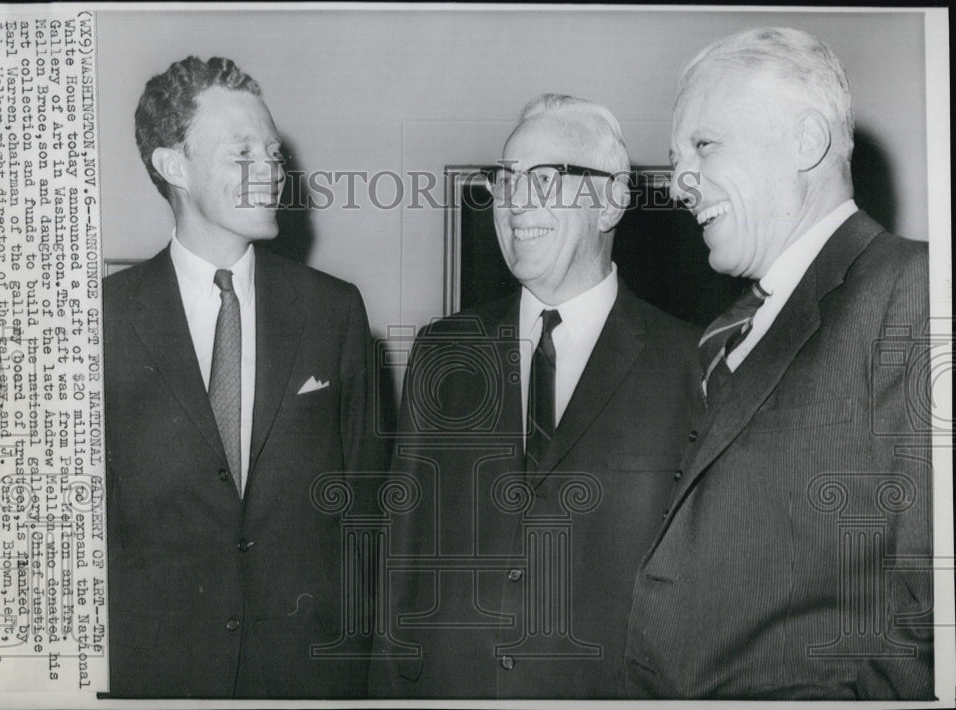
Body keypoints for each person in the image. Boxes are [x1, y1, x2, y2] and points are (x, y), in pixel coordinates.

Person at [623, 27, 933, 699]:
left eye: (703, 145)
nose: (678, 185)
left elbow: (934, 617)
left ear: (807, 141)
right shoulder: (727, 332)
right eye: (676, 158)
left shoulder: (915, 290)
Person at [371, 95, 701, 697]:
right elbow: (401, 563)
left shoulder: (693, 367)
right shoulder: (443, 351)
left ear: (610, 201)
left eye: (544, 178)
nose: (514, 201)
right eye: (505, 179)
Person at [103, 56, 387, 698]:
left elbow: (368, 508)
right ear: (173, 166)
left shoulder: (334, 310)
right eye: (242, 155)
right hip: (156, 677)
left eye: (274, 154)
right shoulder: (105, 320)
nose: (270, 175)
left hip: (308, 675)